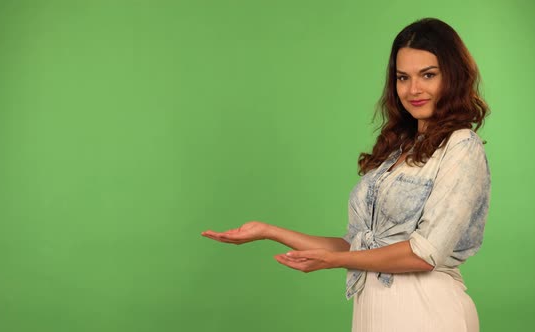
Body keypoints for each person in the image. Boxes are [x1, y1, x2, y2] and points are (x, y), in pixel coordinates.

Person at [202, 17, 490, 332]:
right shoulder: (399, 151)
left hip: (425, 311)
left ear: (453, 76)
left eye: (428, 75)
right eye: (403, 77)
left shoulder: (462, 146)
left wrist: (335, 262)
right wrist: (269, 231)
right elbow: (356, 246)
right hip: (373, 313)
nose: (414, 89)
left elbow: (425, 254)